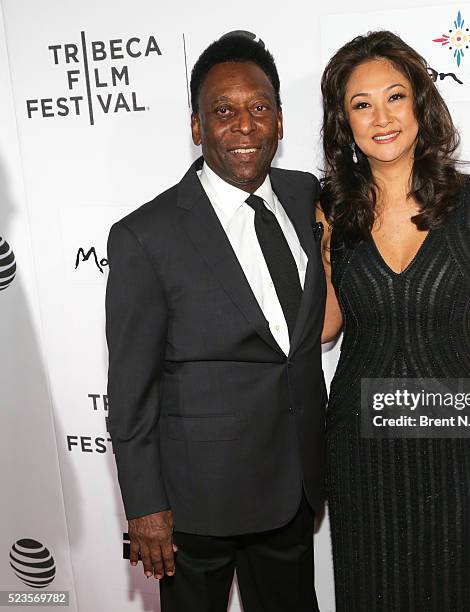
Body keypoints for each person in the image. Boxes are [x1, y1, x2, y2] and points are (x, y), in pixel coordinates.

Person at [105, 32, 326, 612]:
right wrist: (144, 506)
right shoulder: (145, 236)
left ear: (280, 120)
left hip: (292, 487)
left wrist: (463, 186)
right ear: (197, 127)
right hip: (195, 506)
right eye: (223, 111)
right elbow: (130, 391)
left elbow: (389, 191)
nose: (244, 126)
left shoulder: (307, 197)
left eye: (259, 109)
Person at [317, 31, 470, 611]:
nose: (381, 117)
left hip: (452, 443)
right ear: (345, 122)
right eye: (362, 104)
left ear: (420, 105)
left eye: (395, 97)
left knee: (458, 589)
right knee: (370, 591)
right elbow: (327, 326)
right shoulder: (331, 209)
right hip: (360, 447)